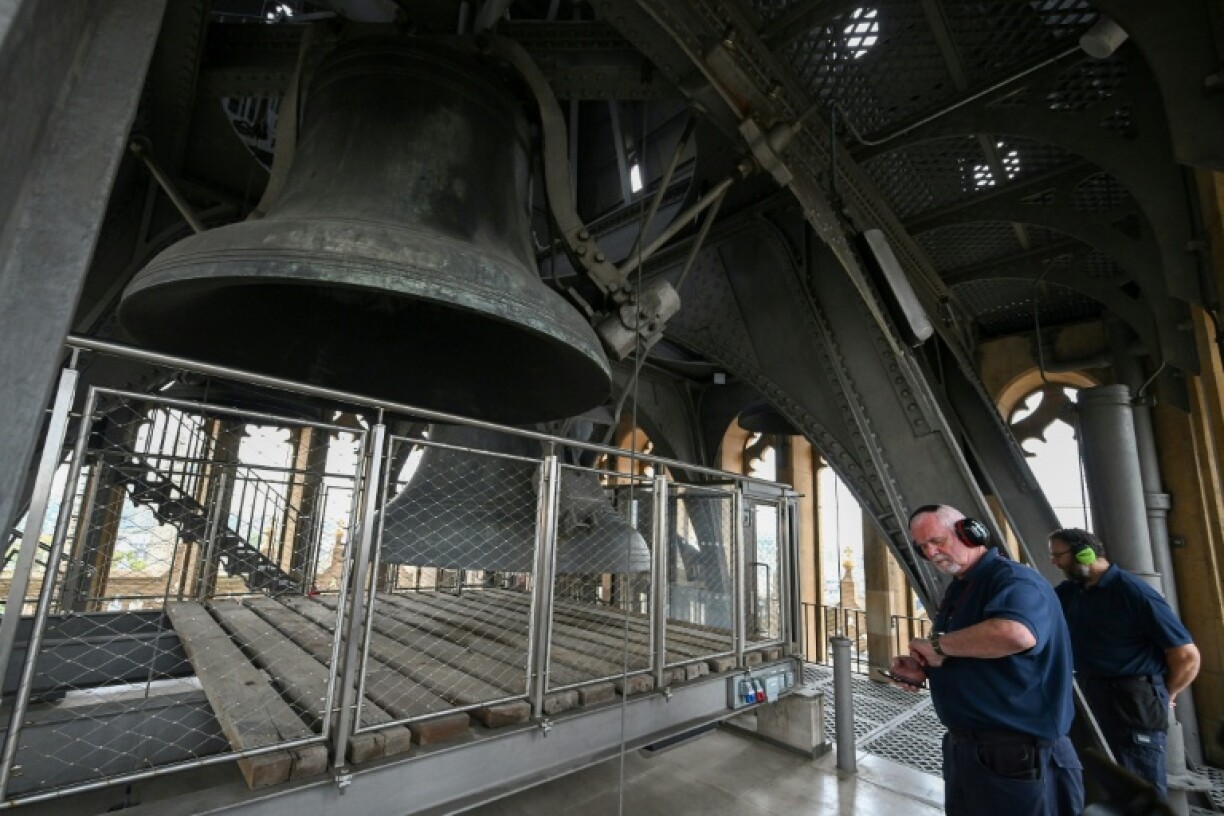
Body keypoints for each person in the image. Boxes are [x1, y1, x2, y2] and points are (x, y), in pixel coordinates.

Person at [887, 504, 1083, 816]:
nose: (932, 553)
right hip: (970, 751)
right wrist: (925, 668)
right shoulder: (963, 586)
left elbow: (1016, 634)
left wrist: (937, 646)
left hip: (1015, 755)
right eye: (923, 547)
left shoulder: (1015, 580)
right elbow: (970, 652)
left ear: (969, 533)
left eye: (937, 541)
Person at [1049, 527, 1200, 801]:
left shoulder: (1133, 592)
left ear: (1084, 553)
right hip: (1091, 691)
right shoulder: (1073, 592)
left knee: (1139, 785)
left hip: (1133, 700)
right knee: (1099, 780)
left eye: (1059, 555)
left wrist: (1166, 693)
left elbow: (1186, 655)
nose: (1054, 562)